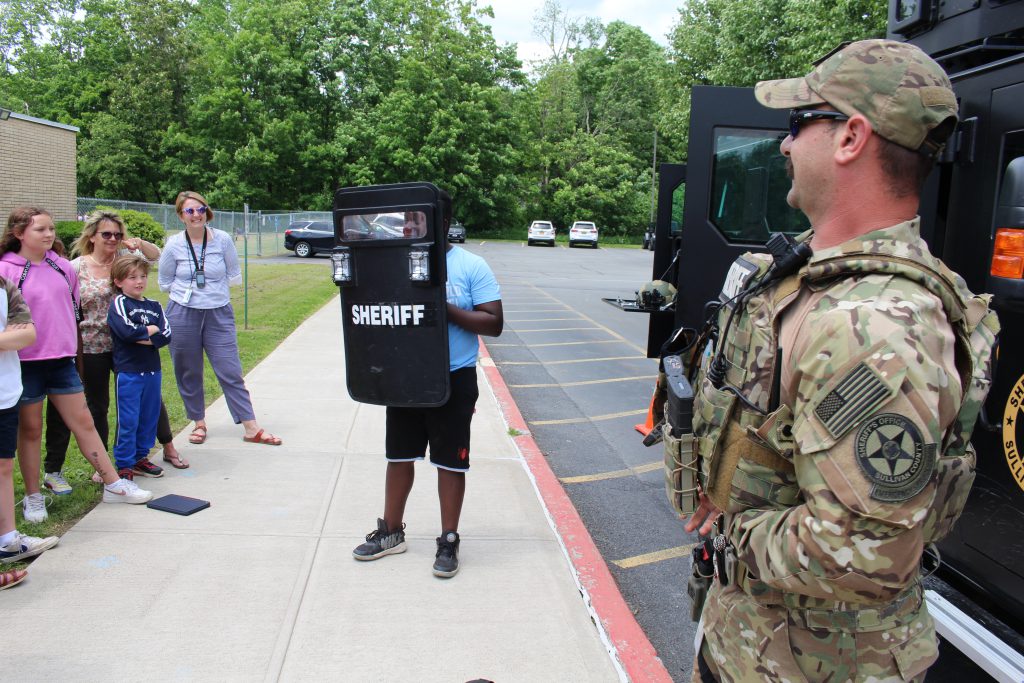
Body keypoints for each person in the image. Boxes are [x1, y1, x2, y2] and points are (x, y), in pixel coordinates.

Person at [681, 40, 999, 682]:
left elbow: (860, 551)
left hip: (815, 666)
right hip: (758, 643)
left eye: (799, 124)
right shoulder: (817, 281)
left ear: (851, 137)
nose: (784, 144)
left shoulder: (872, 325)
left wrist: (732, 533)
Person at [352, 192, 503, 578]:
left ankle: (448, 539)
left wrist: (443, 306)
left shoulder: (471, 265)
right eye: (406, 220)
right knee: (399, 456)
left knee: (450, 461)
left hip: (453, 376)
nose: (408, 228)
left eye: (416, 220)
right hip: (405, 375)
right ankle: (390, 531)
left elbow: (494, 322)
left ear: (441, 221)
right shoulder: (395, 262)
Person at [0, 207, 152, 523]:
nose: (49, 234)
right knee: (31, 430)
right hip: (25, 364)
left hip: (61, 361)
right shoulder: (7, 270)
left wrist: (72, 350)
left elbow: (73, 312)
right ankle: (33, 497)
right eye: (40, 229)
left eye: (51, 228)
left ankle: (113, 484)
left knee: (83, 421)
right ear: (19, 234)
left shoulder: (61, 267)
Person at [42, 211, 186, 498]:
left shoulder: (123, 264)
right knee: (96, 406)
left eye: (117, 235)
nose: (112, 239)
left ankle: (160, 448)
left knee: (148, 399)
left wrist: (137, 244)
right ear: (92, 235)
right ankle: (100, 465)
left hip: (129, 348)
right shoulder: (75, 267)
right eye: (106, 234)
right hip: (91, 346)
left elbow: (155, 256)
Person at [158, 191, 281, 446]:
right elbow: (164, 282)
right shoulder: (174, 244)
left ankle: (250, 426)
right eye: (190, 211)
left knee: (230, 370)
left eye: (200, 209)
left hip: (218, 312)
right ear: (181, 215)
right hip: (182, 312)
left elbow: (234, 274)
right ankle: (199, 423)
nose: (196, 215)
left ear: (207, 211)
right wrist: (189, 294)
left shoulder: (223, 240)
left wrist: (211, 293)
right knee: (188, 371)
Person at [0, 270, 58, 581]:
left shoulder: (3, 285)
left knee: (3, 466)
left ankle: (8, 540)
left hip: (4, 392)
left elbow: (27, 335)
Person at [108, 255, 172, 480]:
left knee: (149, 416)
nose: (139, 282)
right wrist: (150, 331)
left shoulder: (155, 306)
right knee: (129, 419)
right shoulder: (120, 303)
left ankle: (140, 457)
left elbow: (166, 335)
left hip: (152, 371)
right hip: (129, 372)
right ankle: (125, 462)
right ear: (118, 281)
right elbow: (126, 332)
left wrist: (146, 335)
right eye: (132, 277)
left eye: (143, 276)